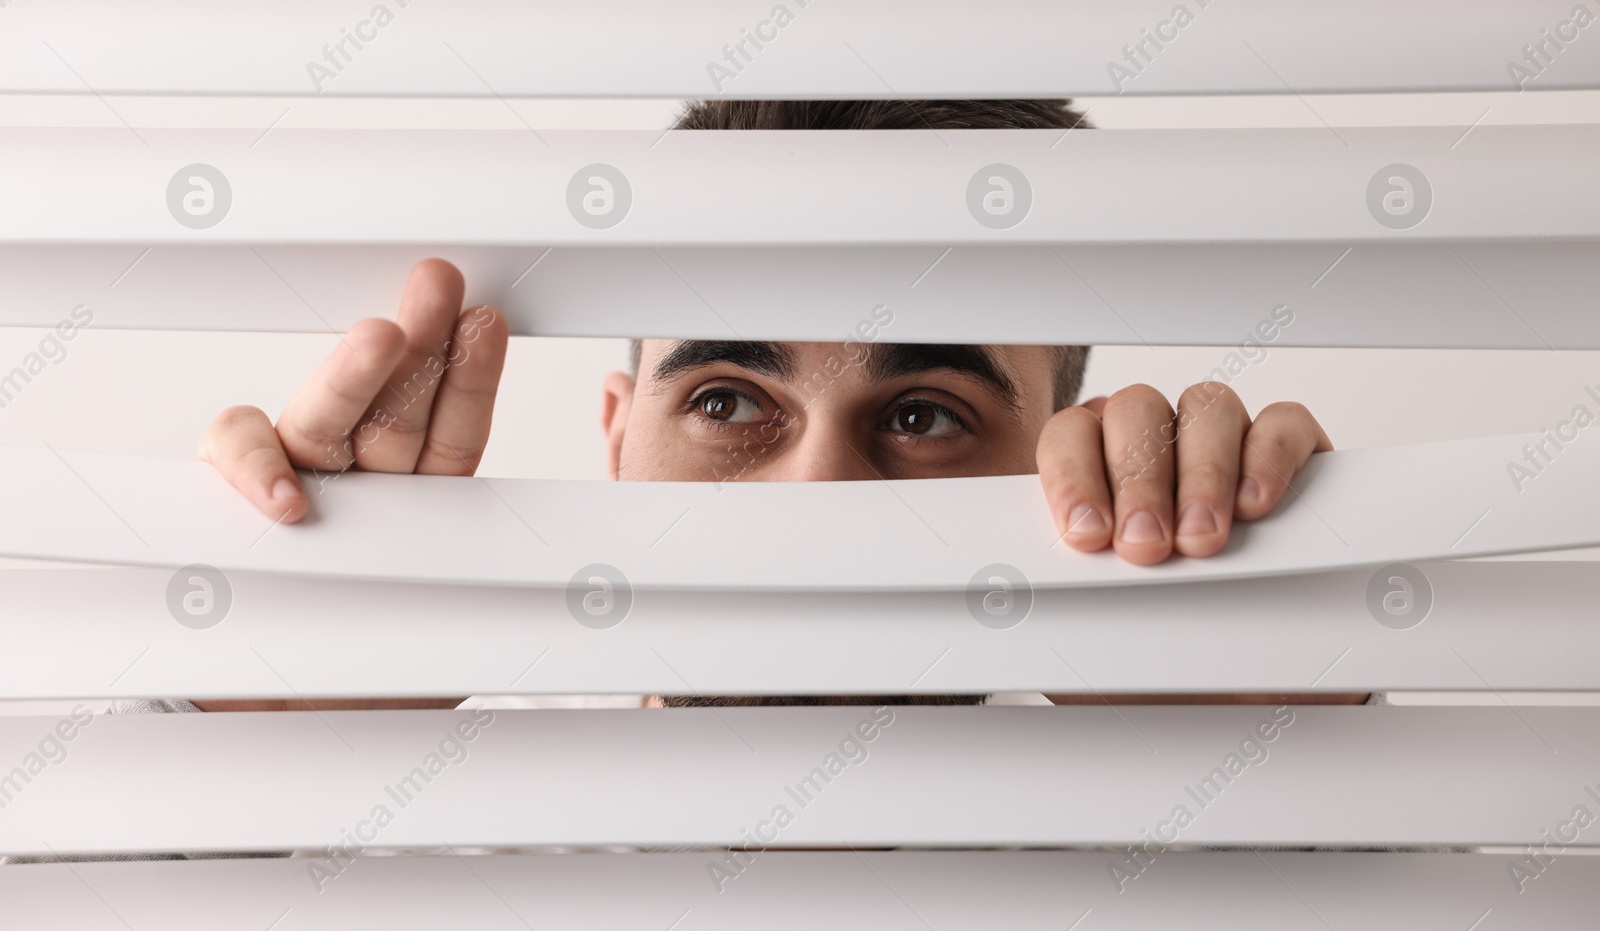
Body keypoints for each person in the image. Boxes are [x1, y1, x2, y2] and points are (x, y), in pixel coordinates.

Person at [194, 97, 1345, 711]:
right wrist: (246, 770)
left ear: (1063, 460)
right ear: (614, 437)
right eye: (728, 397)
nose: (817, 495)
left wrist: (1283, 801)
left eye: (923, 414)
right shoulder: (416, 839)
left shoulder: (1163, 844)